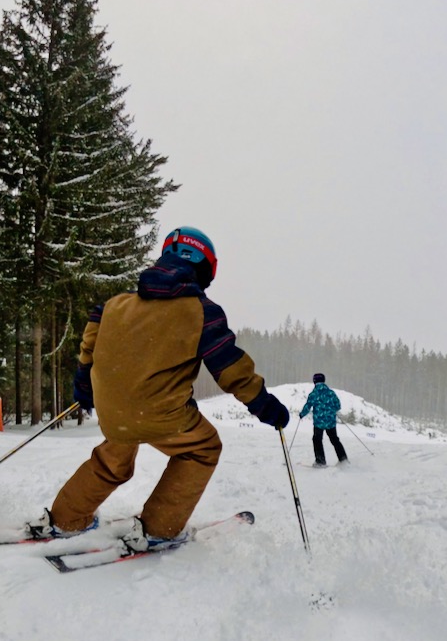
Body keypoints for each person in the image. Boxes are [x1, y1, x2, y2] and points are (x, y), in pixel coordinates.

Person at [25, 226, 290, 552]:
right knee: (203, 448)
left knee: (112, 458)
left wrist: (84, 389)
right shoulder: (202, 311)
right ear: (206, 268)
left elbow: (88, 351)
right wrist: (264, 404)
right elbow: (230, 368)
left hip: (114, 414)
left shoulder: (112, 305)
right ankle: (158, 529)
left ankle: (65, 520)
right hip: (163, 415)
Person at [300, 372, 348, 467]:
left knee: (317, 439)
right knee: (334, 439)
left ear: (314, 381)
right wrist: (330, 410)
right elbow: (338, 405)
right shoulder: (331, 392)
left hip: (319, 422)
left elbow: (308, 406)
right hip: (331, 422)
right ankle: (343, 459)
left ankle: (320, 461)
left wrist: (302, 414)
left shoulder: (314, 394)